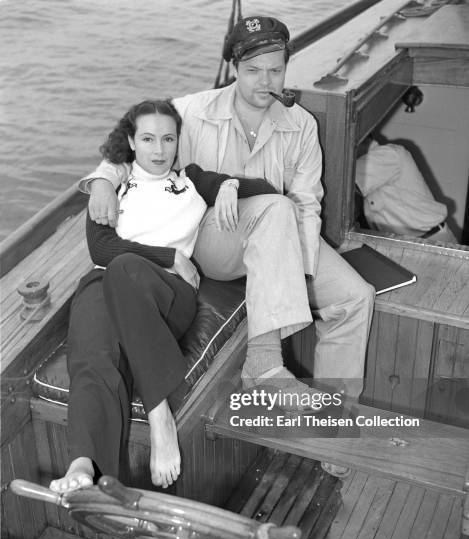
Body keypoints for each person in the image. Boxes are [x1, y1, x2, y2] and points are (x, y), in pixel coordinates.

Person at [83, 15, 375, 404]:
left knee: (356, 296)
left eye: (276, 70)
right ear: (234, 69)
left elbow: (307, 202)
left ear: (287, 67)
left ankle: (330, 419)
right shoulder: (191, 110)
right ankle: (265, 363)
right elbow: (133, 136)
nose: (265, 81)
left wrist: (297, 267)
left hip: (280, 233)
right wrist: (103, 180)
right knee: (276, 206)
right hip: (210, 238)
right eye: (253, 70)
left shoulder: (301, 125)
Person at [50, 99, 279, 494]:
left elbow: (269, 190)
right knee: (92, 355)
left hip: (167, 296)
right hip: (106, 285)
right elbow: (101, 251)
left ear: (178, 141)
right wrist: (169, 254)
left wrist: (229, 186)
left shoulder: (190, 179)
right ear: (131, 141)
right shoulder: (109, 188)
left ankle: (161, 417)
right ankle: (84, 464)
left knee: (124, 268)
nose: (159, 150)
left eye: (168, 138)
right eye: (149, 138)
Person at [355, 137, 457, 242]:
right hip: (413, 242)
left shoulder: (388, 155)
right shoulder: (373, 159)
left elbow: (345, 182)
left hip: (430, 242)